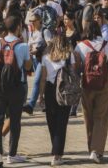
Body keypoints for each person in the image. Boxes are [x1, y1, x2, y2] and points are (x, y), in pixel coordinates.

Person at [0, 15, 32, 168]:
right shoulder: (23, 46)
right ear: (19, 27)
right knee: (15, 120)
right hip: (16, 87)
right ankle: (12, 154)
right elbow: (27, 67)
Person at [75, 21, 108, 164]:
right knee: (102, 117)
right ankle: (96, 151)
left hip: (87, 83)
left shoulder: (80, 46)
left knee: (88, 116)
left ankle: (90, 147)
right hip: (104, 83)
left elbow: (77, 67)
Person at [39, 34, 77, 166]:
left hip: (50, 89)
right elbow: (74, 72)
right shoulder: (68, 55)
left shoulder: (45, 57)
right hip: (64, 90)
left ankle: (56, 151)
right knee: (62, 122)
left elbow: (43, 78)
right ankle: (57, 154)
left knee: (52, 121)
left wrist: (40, 95)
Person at [23, 13, 53, 115]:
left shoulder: (45, 31)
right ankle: (45, 103)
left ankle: (31, 105)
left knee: (36, 81)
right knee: (41, 82)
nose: (32, 23)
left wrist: (41, 52)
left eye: (34, 21)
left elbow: (50, 45)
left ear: (39, 20)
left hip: (43, 60)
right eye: (31, 21)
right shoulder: (31, 32)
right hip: (34, 60)